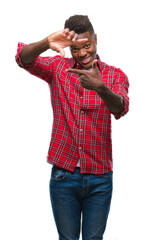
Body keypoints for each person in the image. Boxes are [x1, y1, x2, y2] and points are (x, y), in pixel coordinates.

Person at [15, 15, 129, 240]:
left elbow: (121, 108)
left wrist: (100, 88)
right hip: (63, 175)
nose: (83, 53)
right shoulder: (58, 68)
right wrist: (46, 42)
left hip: (100, 177)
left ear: (95, 39)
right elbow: (22, 58)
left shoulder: (115, 75)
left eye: (87, 45)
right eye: (76, 49)